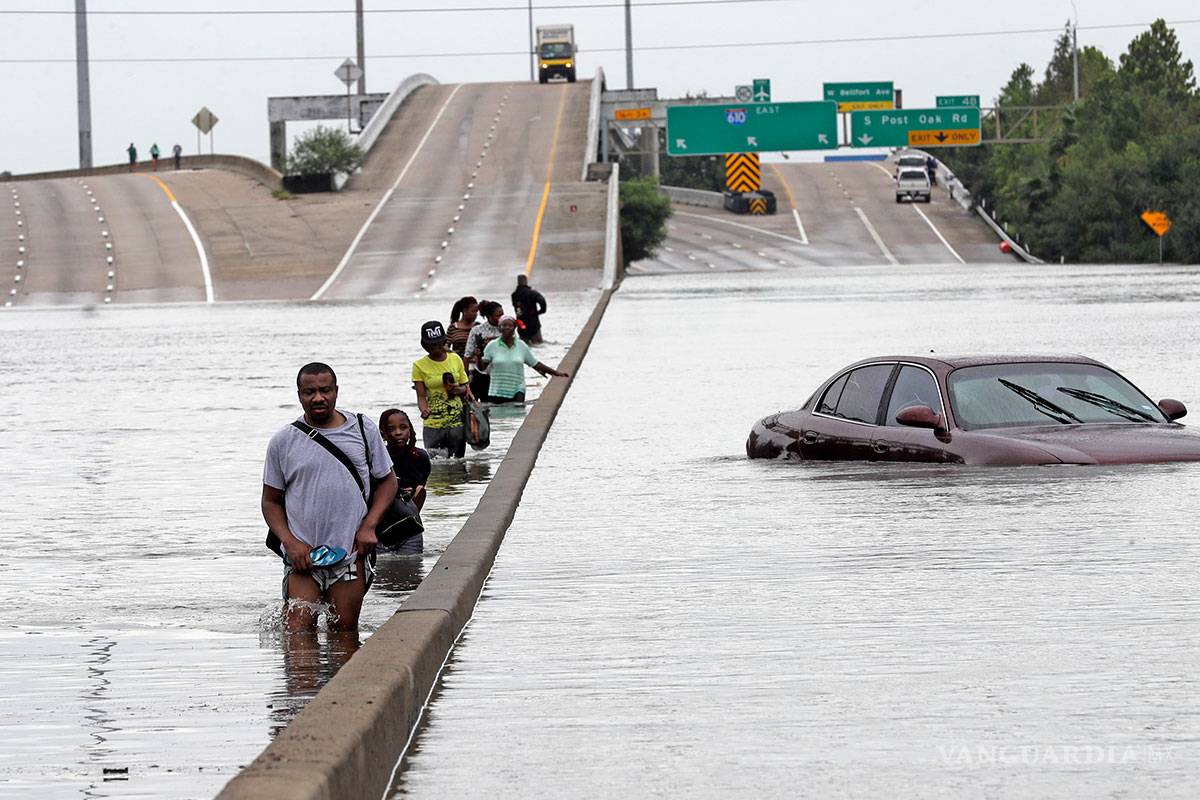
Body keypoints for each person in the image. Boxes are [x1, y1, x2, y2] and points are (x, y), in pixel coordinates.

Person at [262, 362, 397, 632]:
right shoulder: (283, 441)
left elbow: (388, 482)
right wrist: (290, 542)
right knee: (297, 637)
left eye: (325, 390)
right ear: (299, 394)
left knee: (345, 635)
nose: (318, 398)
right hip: (303, 558)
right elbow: (270, 501)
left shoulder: (362, 429)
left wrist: (369, 526)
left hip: (350, 554)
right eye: (309, 392)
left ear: (336, 391)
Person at [412, 320, 473, 458]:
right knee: (436, 465)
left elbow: (467, 388)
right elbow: (421, 396)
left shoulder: (455, 359)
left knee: (457, 463)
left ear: (444, 341)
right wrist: (424, 410)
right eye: (431, 345)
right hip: (433, 424)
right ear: (425, 345)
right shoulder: (419, 366)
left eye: (439, 343)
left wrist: (459, 390)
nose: (436, 347)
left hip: (457, 422)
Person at [480, 315, 568, 403]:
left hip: (517, 389)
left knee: (518, 412)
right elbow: (482, 367)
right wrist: (478, 357)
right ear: (499, 328)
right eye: (504, 325)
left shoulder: (521, 345)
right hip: (497, 391)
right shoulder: (492, 345)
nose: (507, 327)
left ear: (514, 328)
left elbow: (535, 363)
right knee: (499, 415)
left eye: (510, 325)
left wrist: (555, 372)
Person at [379, 408, 429, 511]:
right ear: (383, 433)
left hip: (411, 504)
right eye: (391, 429)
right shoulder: (379, 458)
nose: (398, 433)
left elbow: (420, 487)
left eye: (403, 428)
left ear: (410, 430)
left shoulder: (420, 457)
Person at [464, 300, 503, 400]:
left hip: (502, 376)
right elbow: (467, 355)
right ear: (489, 316)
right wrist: (464, 379)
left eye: (502, 314)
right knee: (483, 407)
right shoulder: (477, 330)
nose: (501, 318)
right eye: (498, 316)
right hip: (482, 376)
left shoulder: (507, 329)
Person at [511, 274, 547, 345]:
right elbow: (542, 300)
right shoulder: (532, 293)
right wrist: (542, 311)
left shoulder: (514, 295)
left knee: (525, 345)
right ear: (526, 281)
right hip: (533, 323)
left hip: (522, 324)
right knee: (538, 344)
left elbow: (518, 309)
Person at [446, 295, 478, 360]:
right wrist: (453, 354)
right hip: (457, 362)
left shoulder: (478, 327)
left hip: (475, 363)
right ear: (464, 311)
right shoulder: (453, 328)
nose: (475, 314)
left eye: (476, 311)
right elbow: (445, 346)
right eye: (473, 311)